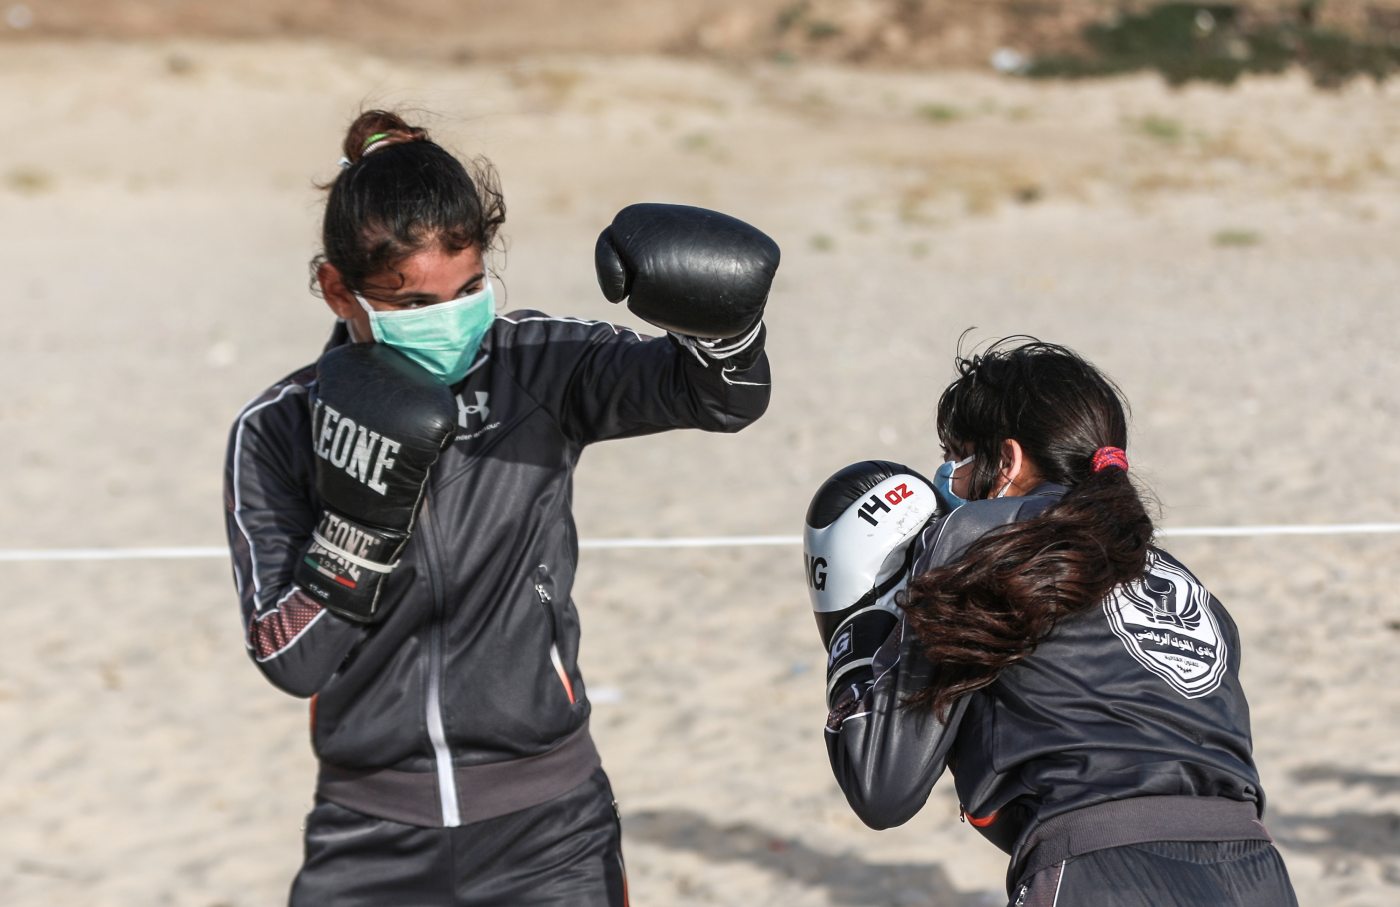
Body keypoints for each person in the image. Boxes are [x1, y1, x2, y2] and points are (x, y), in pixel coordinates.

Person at [223, 109, 778, 906]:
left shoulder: (540, 364)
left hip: (548, 828)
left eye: (471, 288)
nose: (450, 318)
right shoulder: (277, 427)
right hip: (367, 834)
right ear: (336, 289)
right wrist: (360, 529)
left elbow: (722, 399)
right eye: (412, 302)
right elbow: (290, 659)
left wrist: (726, 326)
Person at [802, 338, 1297, 907]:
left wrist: (859, 631)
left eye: (957, 457)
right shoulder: (1193, 590)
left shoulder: (979, 536)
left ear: (1007, 462)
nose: (949, 479)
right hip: (1256, 874)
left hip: (1102, 872)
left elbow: (882, 785)